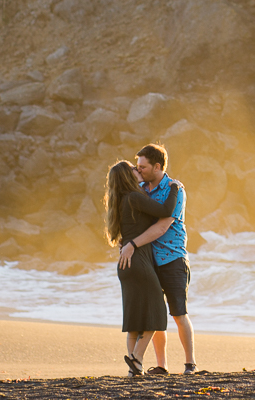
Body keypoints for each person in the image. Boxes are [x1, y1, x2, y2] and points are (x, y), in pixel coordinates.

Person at [118, 143, 196, 375]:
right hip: (148, 260)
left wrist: (132, 244)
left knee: (178, 314)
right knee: (154, 313)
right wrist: (126, 241)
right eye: (138, 167)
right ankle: (161, 365)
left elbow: (162, 227)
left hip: (172, 258)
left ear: (157, 166)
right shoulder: (140, 188)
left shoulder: (175, 189)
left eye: (142, 166)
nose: (139, 170)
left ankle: (190, 363)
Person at [103, 159, 180, 377]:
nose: (138, 170)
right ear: (128, 176)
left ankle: (133, 371)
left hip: (125, 266)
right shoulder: (134, 198)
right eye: (133, 169)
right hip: (138, 262)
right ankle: (136, 359)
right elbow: (166, 210)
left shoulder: (119, 202)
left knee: (134, 320)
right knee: (156, 314)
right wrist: (174, 187)